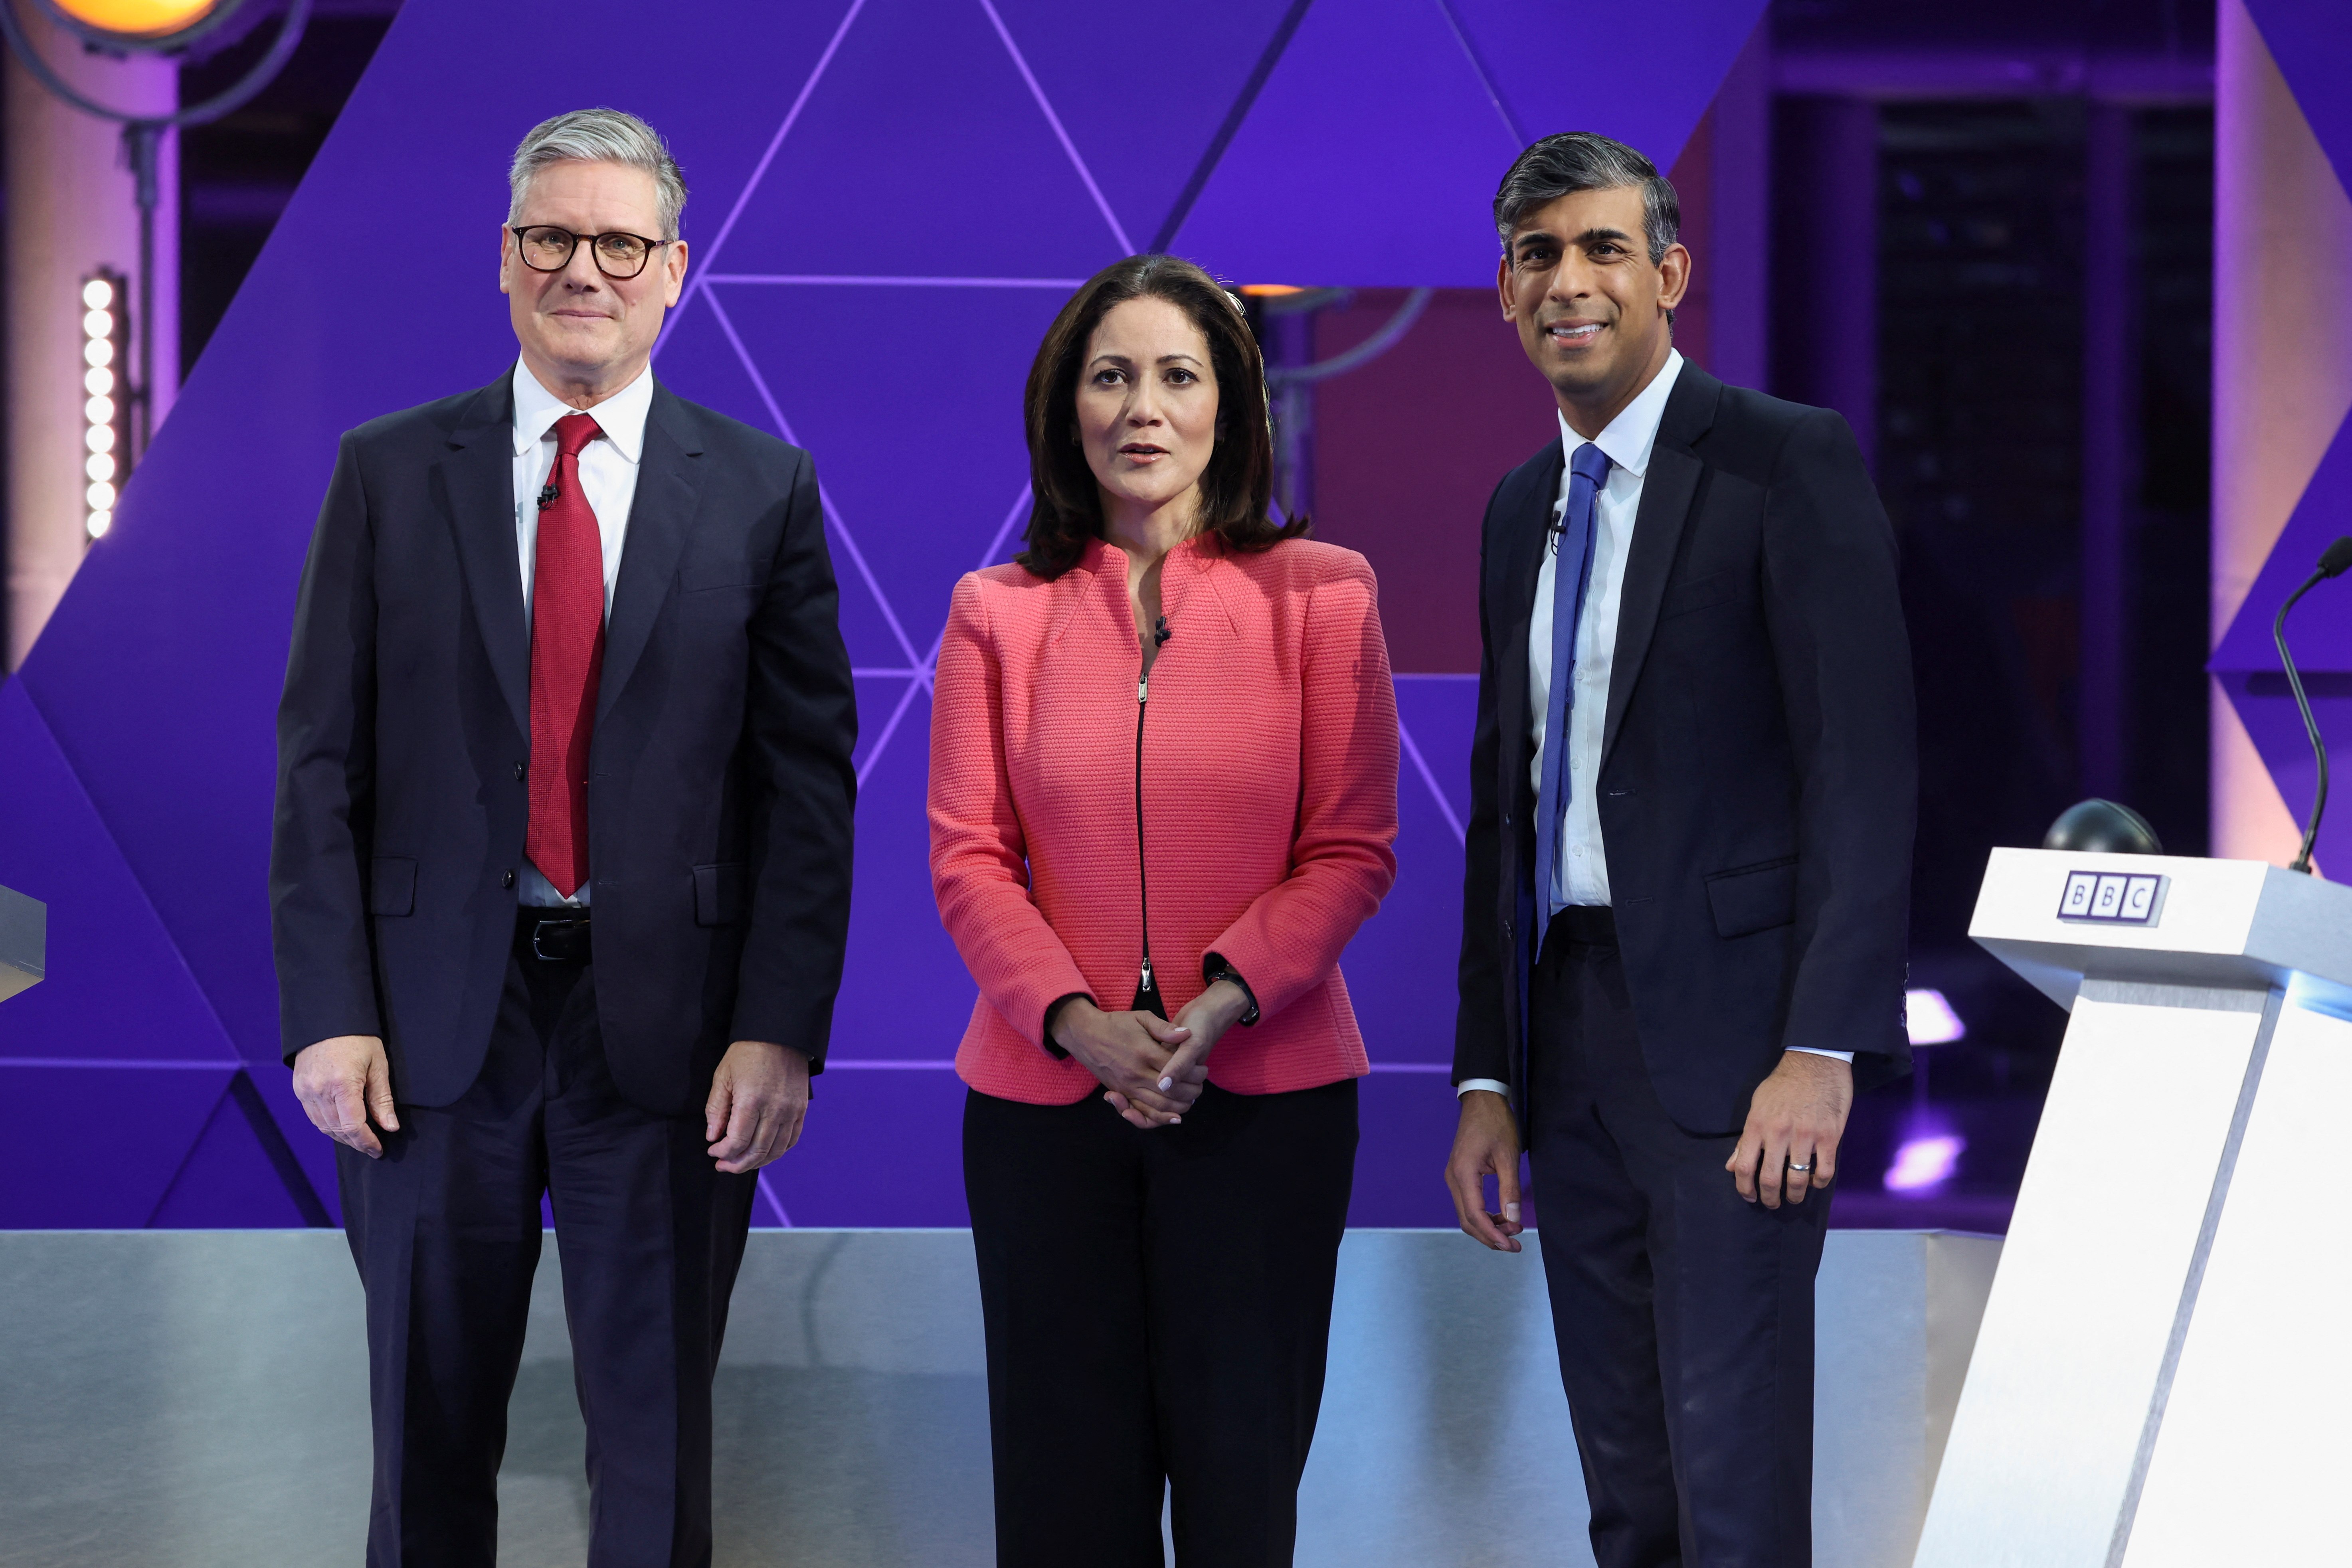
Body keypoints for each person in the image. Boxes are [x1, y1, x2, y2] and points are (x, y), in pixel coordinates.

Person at [270, 109, 856, 1566]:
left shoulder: (764, 489)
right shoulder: (389, 471)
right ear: (506, 260)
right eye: (551, 237)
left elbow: (805, 791)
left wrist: (779, 1026)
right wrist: (330, 1014)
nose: (581, 268)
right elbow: (317, 765)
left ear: (673, 272)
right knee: (425, 1436)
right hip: (425, 1038)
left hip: (666, 1037)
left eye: (617, 243)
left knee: (653, 1456)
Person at [1444, 133, 1915, 1568]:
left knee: (1734, 1494)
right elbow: (1506, 806)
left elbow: (1864, 769)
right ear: (1506, 292)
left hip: (1740, 1058)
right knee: (1630, 1495)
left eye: (1599, 249)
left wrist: (1823, 1044)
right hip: (1569, 1042)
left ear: (1671, 274)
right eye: (1538, 255)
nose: (1569, 282)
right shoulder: (1519, 505)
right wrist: (1486, 1073)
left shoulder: (1783, 459)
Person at [928, 253, 1400, 1566]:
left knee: (1242, 1493)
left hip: (1263, 1102)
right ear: (1068, 408)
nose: (1144, 406)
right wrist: (1080, 1020)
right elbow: (969, 858)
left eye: (1178, 376)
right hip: (1044, 1113)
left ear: (1229, 409)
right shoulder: (995, 614)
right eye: (1112, 375)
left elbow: (1353, 848)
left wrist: (1216, 1003)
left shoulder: (1324, 594)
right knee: (1065, 1500)